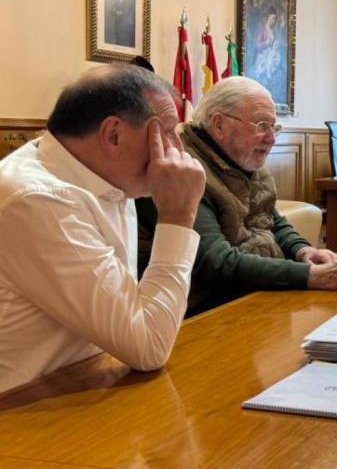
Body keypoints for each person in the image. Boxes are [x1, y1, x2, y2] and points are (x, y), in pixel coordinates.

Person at [0, 64, 206, 393]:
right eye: (167, 132)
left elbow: (133, 322)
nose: (176, 151)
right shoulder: (37, 200)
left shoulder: (104, 173)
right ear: (113, 135)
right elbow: (148, 346)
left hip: (89, 383)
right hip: (23, 408)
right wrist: (179, 214)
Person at [137, 77, 337, 316]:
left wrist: (303, 251)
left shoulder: (245, 158)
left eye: (274, 127)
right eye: (262, 125)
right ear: (219, 125)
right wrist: (311, 276)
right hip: (210, 310)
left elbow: (273, 220)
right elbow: (216, 262)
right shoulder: (181, 172)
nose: (271, 138)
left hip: (260, 293)